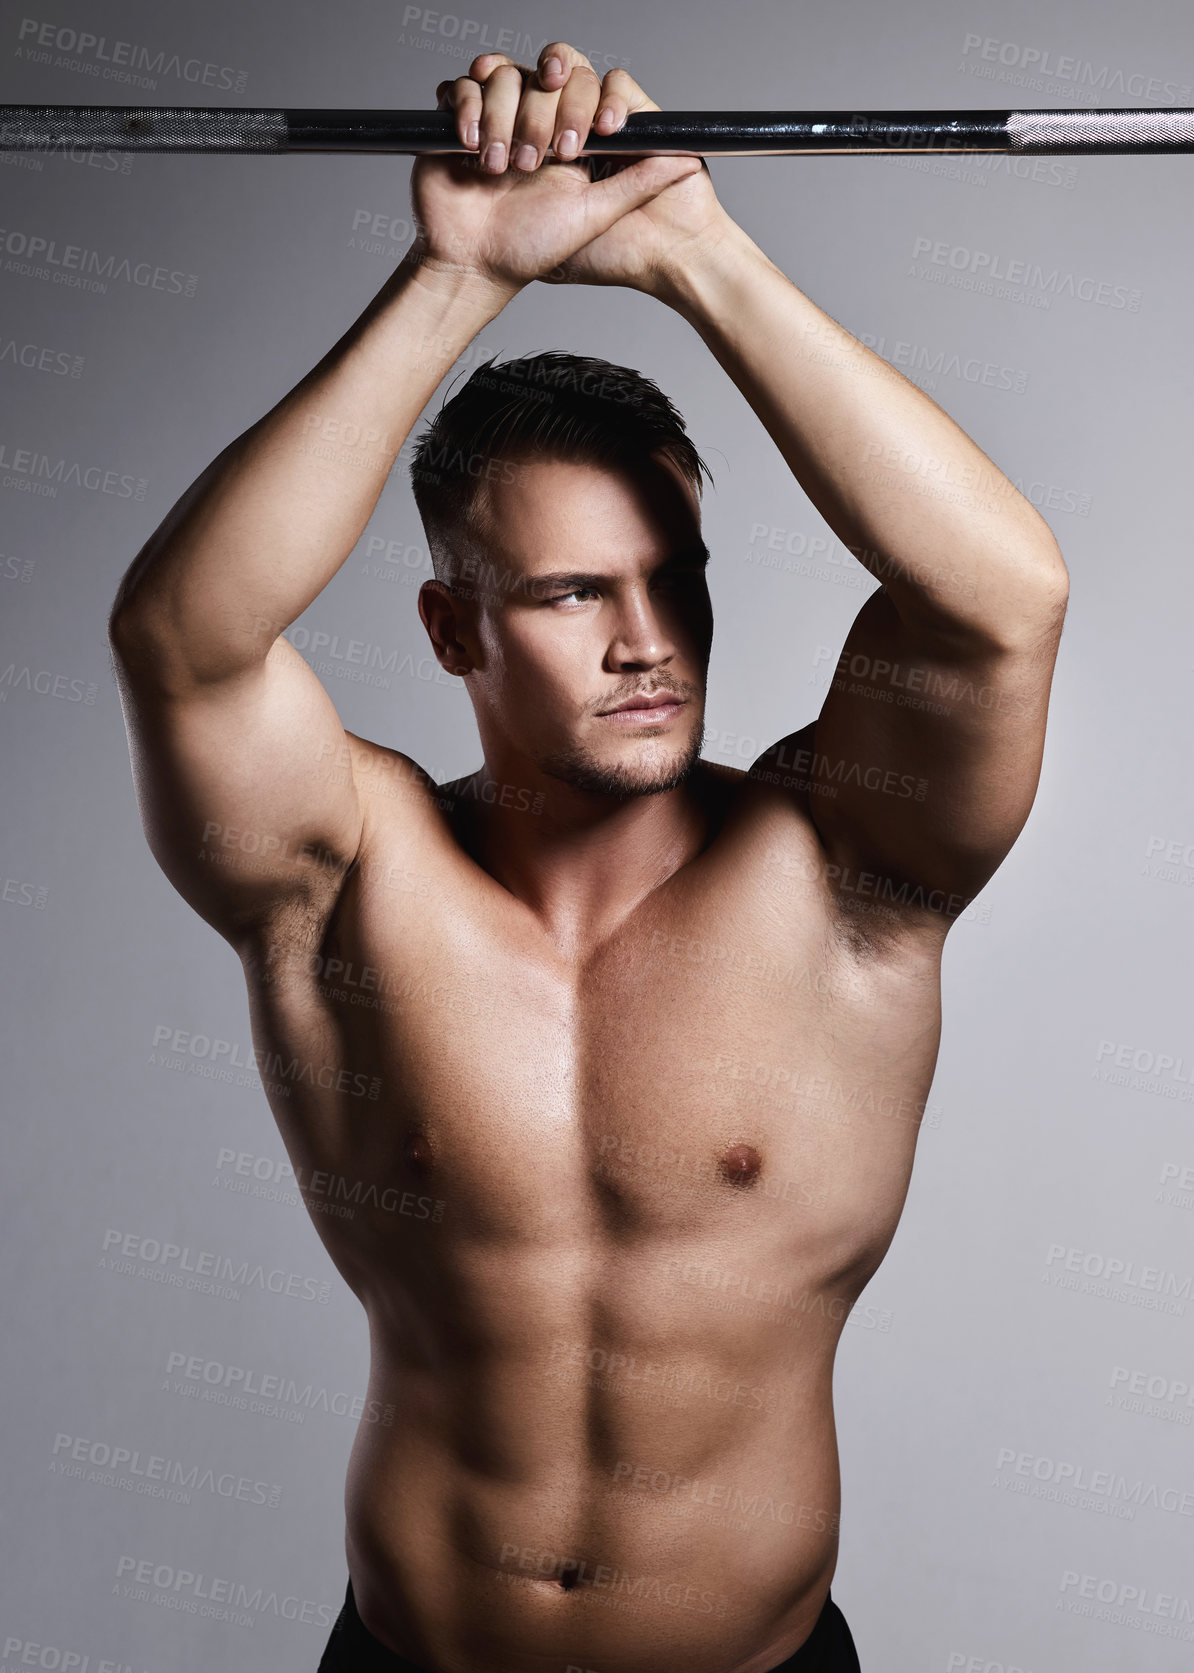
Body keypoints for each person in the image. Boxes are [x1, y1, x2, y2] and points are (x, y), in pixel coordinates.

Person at [106, 39, 1068, 1673]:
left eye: (671, 576)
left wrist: (692, 249)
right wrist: (454, 270)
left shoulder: (836, 866)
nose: (646, 641)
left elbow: (997, 605)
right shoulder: (347, 874)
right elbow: (183, 640)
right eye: (567, 595)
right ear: (450, 627)